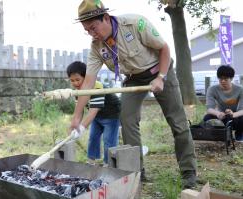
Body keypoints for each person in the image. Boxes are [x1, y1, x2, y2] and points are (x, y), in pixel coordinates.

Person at [70, 0, 197, 189]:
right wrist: (77, 116)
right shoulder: (96, 47)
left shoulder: (136, 24)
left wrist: (161, 77)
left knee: (177, 122)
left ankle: (188, 172)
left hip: (160, 71)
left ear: (105, 18)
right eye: (87, 30)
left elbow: (164, 49)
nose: (91, 33)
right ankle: (137, 170)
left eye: (93, 27)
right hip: (133, 79)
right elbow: (88, 83)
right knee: (126, 118)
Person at [67, 61, 121, 166]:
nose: (75, 83)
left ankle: (108, 163)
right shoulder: (78, 91)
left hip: (111, 115)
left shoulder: (96, 87)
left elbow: (92, 112)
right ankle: (91, 161)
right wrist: (75, 125)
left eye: (78, 79)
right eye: (72, 80)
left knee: (108, 140)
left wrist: (81, 129)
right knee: (93, 137)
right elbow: (80, 109)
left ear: (86, 78)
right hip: (97, 116)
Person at [204, 65, 243, 142]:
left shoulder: (240, 89)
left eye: (225, 79)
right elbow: (209, 108)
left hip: (236, 116)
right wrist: (218, 113)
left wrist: (233, 114)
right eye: (220, 79)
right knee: (207, 118)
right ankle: (221, 135)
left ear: (231, 78)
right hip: (221, 116)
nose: (223, 81)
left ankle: (240, 135)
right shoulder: (212, 89)